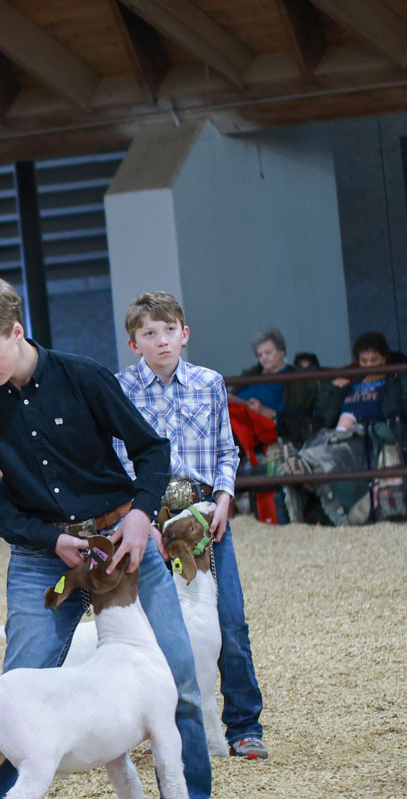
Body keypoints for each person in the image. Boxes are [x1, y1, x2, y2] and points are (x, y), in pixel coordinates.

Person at [0, 276, 244, 799]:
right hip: (42, 559)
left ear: (16, 330)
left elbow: (152, 449)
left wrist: (139, 516)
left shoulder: (82, 375)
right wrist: (47, 538)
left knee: (179, 673)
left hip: (124, 546)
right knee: (14, 683)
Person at [114, 290, 268, 760]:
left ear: (185, 334)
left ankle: (243, 726)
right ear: (134, 343)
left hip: (204, 514)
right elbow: (118, 458)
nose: (162, 341)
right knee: (148, 624)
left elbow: (228, 449)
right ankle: (158, 728)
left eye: (169, 331)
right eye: (149, 333)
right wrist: (138, 518)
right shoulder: (121, 389)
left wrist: (224, 497)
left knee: (229, 619)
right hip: (147, 516)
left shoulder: (209, 383)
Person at [300, 332, 407, 525]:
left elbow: (398, 411)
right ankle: (308, 461)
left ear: (384, 358)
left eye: (373, 360)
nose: (368, 365)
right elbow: (326, 417)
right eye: (364, 360)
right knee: (333, 436)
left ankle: (309, 463)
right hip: (342, 434)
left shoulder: (394, 381)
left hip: (371, 435)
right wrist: (336, 390)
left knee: (336, 453)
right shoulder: (353, 383)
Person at [233, 328, 318, 446]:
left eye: (268, 353)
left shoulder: (295, 379)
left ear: (282, 352)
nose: (264, 358)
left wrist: (267, 412)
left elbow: (298, 418)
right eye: (260, 355)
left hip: (258, 428)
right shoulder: (250, 374)